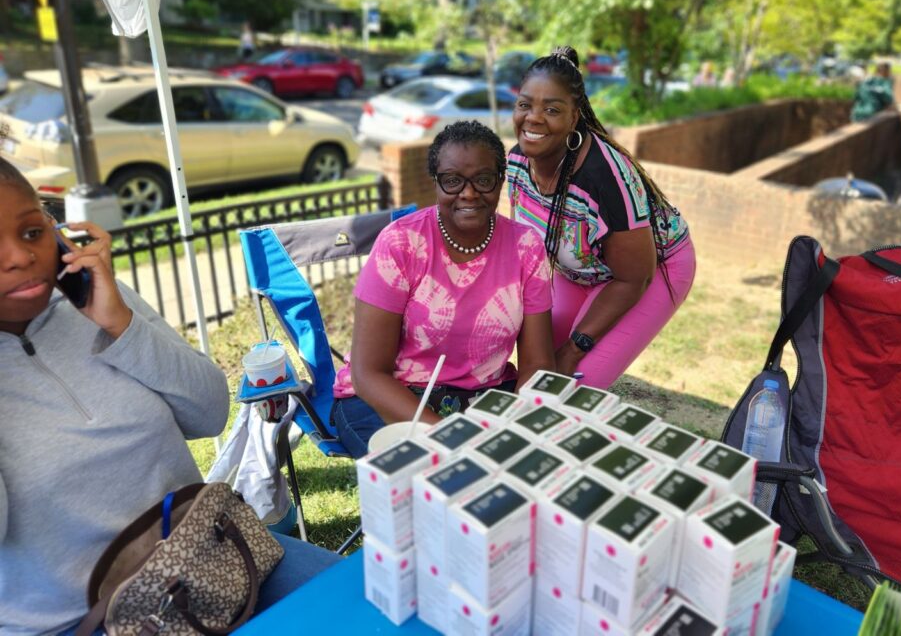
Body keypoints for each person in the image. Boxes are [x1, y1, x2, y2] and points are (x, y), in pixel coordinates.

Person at [0, 154, 336, 634]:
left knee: (372, 607)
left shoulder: (97, 298)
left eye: (32, 232)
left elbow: (210, 413)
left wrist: (121, 324)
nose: (18, 255)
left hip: (208, 551)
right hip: (83, 621)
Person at [332, 120, 555, 457]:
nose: (468, 193)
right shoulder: (401, 244)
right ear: (436, 183)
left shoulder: (526, 247)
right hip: (391, 398)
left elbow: (537, 363)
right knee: (431, 477)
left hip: (484, 395)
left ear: (500, 181)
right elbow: (368, 374)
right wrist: (446, 437)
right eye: (452, 181)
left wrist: (518, 425)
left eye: (483, 179)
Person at [508, 47, 697, 389]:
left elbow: (632, 279)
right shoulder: (517, 164)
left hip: (646, 272)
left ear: (574, 116)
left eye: (551, 109)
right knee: (537, 367)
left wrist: (573, 350)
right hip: (580, 269)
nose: (533, 118)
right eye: (525, 104)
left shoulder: (604, 178)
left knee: (576, 381)